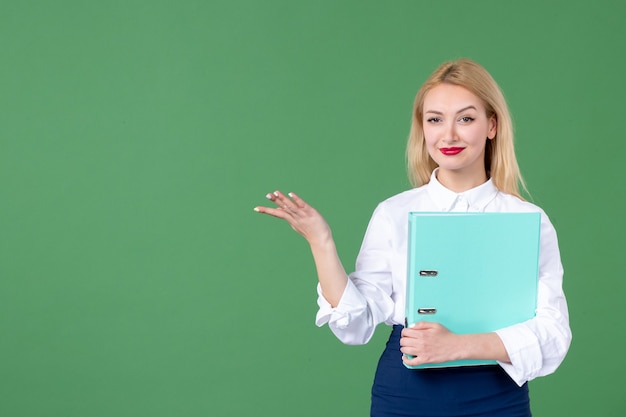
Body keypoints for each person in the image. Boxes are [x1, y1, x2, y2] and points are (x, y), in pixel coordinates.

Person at [254, 58, 571, 417]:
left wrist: (457, 346)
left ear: (492, 125)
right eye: (434, 119)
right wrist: (321, 242)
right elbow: (355, 326)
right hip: (406, 392)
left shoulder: (527, 220)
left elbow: (553, 333)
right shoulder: (393, 213)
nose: (448, 135)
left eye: (465, 119)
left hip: (497, 394)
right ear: (422, 128)